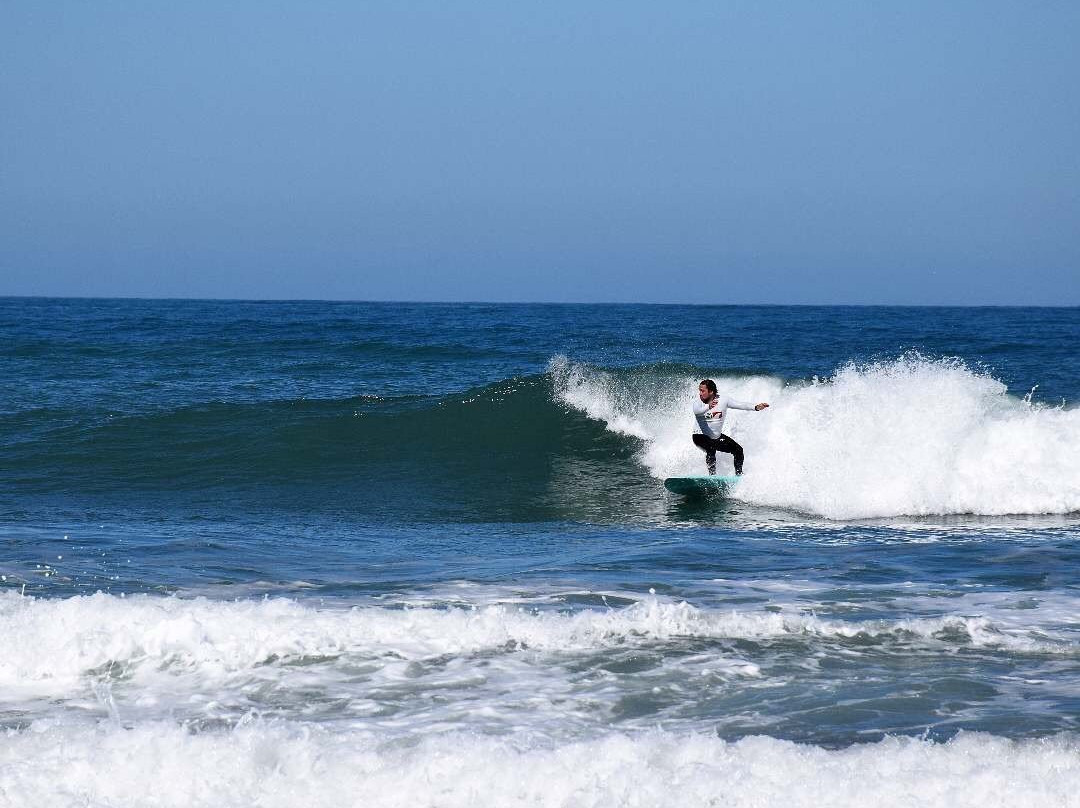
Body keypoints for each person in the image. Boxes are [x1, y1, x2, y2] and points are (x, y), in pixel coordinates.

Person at [691, 379, 768, 475]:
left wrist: (756, 407)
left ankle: (738, 475)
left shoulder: (723, 400)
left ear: (711, 391)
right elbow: (697, 412)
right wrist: (708, 407)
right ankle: (712, 477)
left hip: (716, 437)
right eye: (699, 390)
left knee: (738, 450)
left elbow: (740, 405)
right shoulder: (698, 402)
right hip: (699, 436)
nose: (700, 393)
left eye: (702, 391)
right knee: (710, 448)